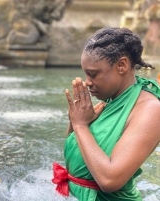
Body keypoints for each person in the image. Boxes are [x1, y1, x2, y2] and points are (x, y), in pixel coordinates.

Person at [52, 27, 160, 201]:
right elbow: (75, 151)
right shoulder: (111, 101)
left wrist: (80, 125)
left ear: (122, 65)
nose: (87, 82)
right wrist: (75, 120)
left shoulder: (151, 109)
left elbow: (109, 180)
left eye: (93, 74)